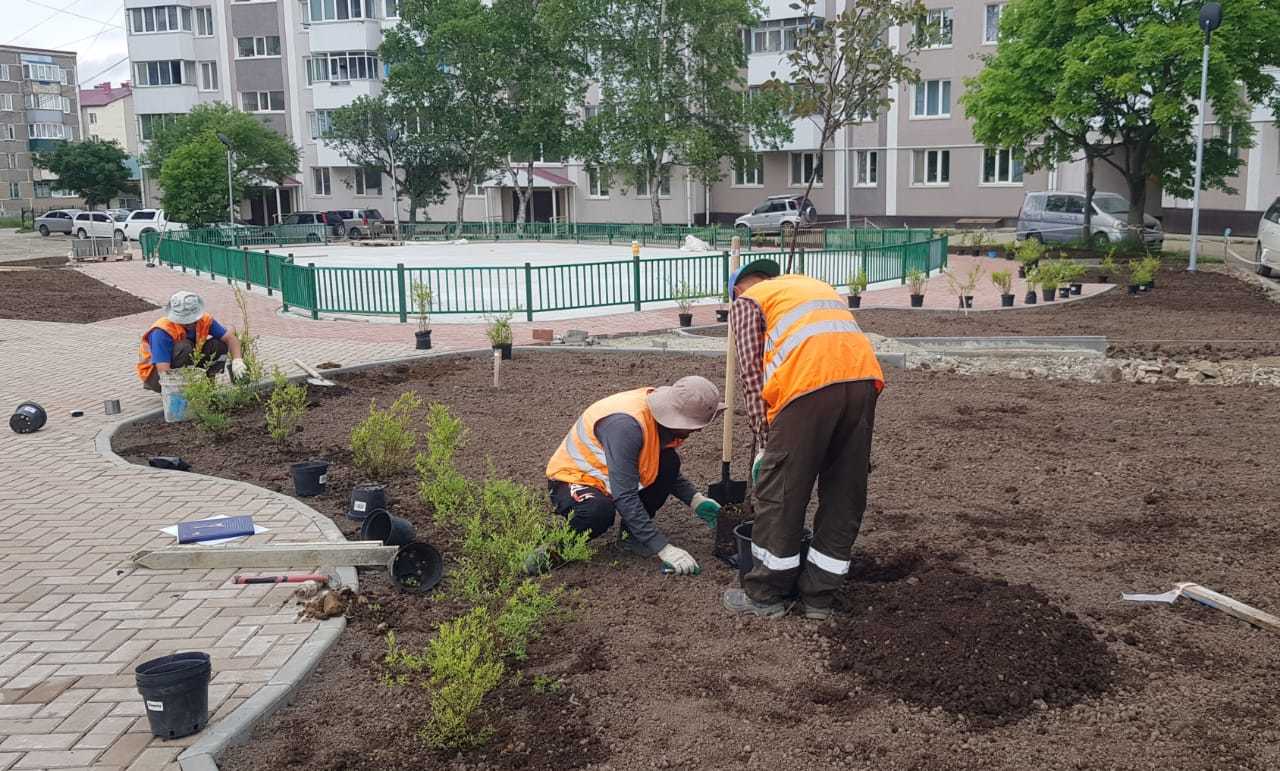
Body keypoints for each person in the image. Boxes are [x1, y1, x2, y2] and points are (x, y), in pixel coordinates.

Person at [721, 258, 883, 620]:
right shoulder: (811, 289)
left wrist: (765, 441)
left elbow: (751, 374)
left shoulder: (748, 302)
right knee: (845, 490)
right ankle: (819, 598)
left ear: (738, 289)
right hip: (863, 382)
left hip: (807, 388)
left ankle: (765, 595)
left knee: (782, 492)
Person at [545, 376, 725, 576]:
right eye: (694, 424)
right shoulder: (627, 427)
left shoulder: (657, 419)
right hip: (574, 478)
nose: (699, 430)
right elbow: (625, 496)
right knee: (596, 512)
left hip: (613, 476)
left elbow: (656, 465)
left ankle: (631, 536)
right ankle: (553, 551)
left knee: (669, 462)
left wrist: (695, 499)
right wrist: (663, 548)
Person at [137, 291, 247, 392]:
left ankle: (209, 387)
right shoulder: (161, 331)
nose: (189, 324)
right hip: (156, 376)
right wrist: (177, 396)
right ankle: (184, 389)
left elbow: (230, 338)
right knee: (185, 347)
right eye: (185, 321)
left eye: (192, 320)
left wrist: (237, 360)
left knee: (218, 344)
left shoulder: (204, 320)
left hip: (185, 363)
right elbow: (163, 370)